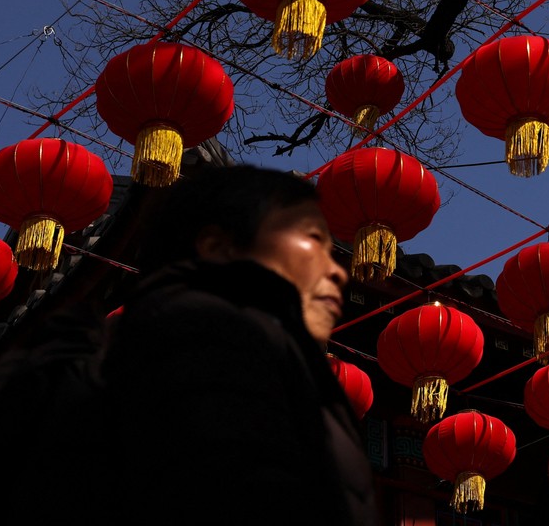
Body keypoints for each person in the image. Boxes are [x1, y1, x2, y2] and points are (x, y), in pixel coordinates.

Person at [100, 165, 378, 524]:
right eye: (311, 239)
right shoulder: (197, 352)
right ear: (218, 248)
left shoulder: (293, 375)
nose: (338, 272)